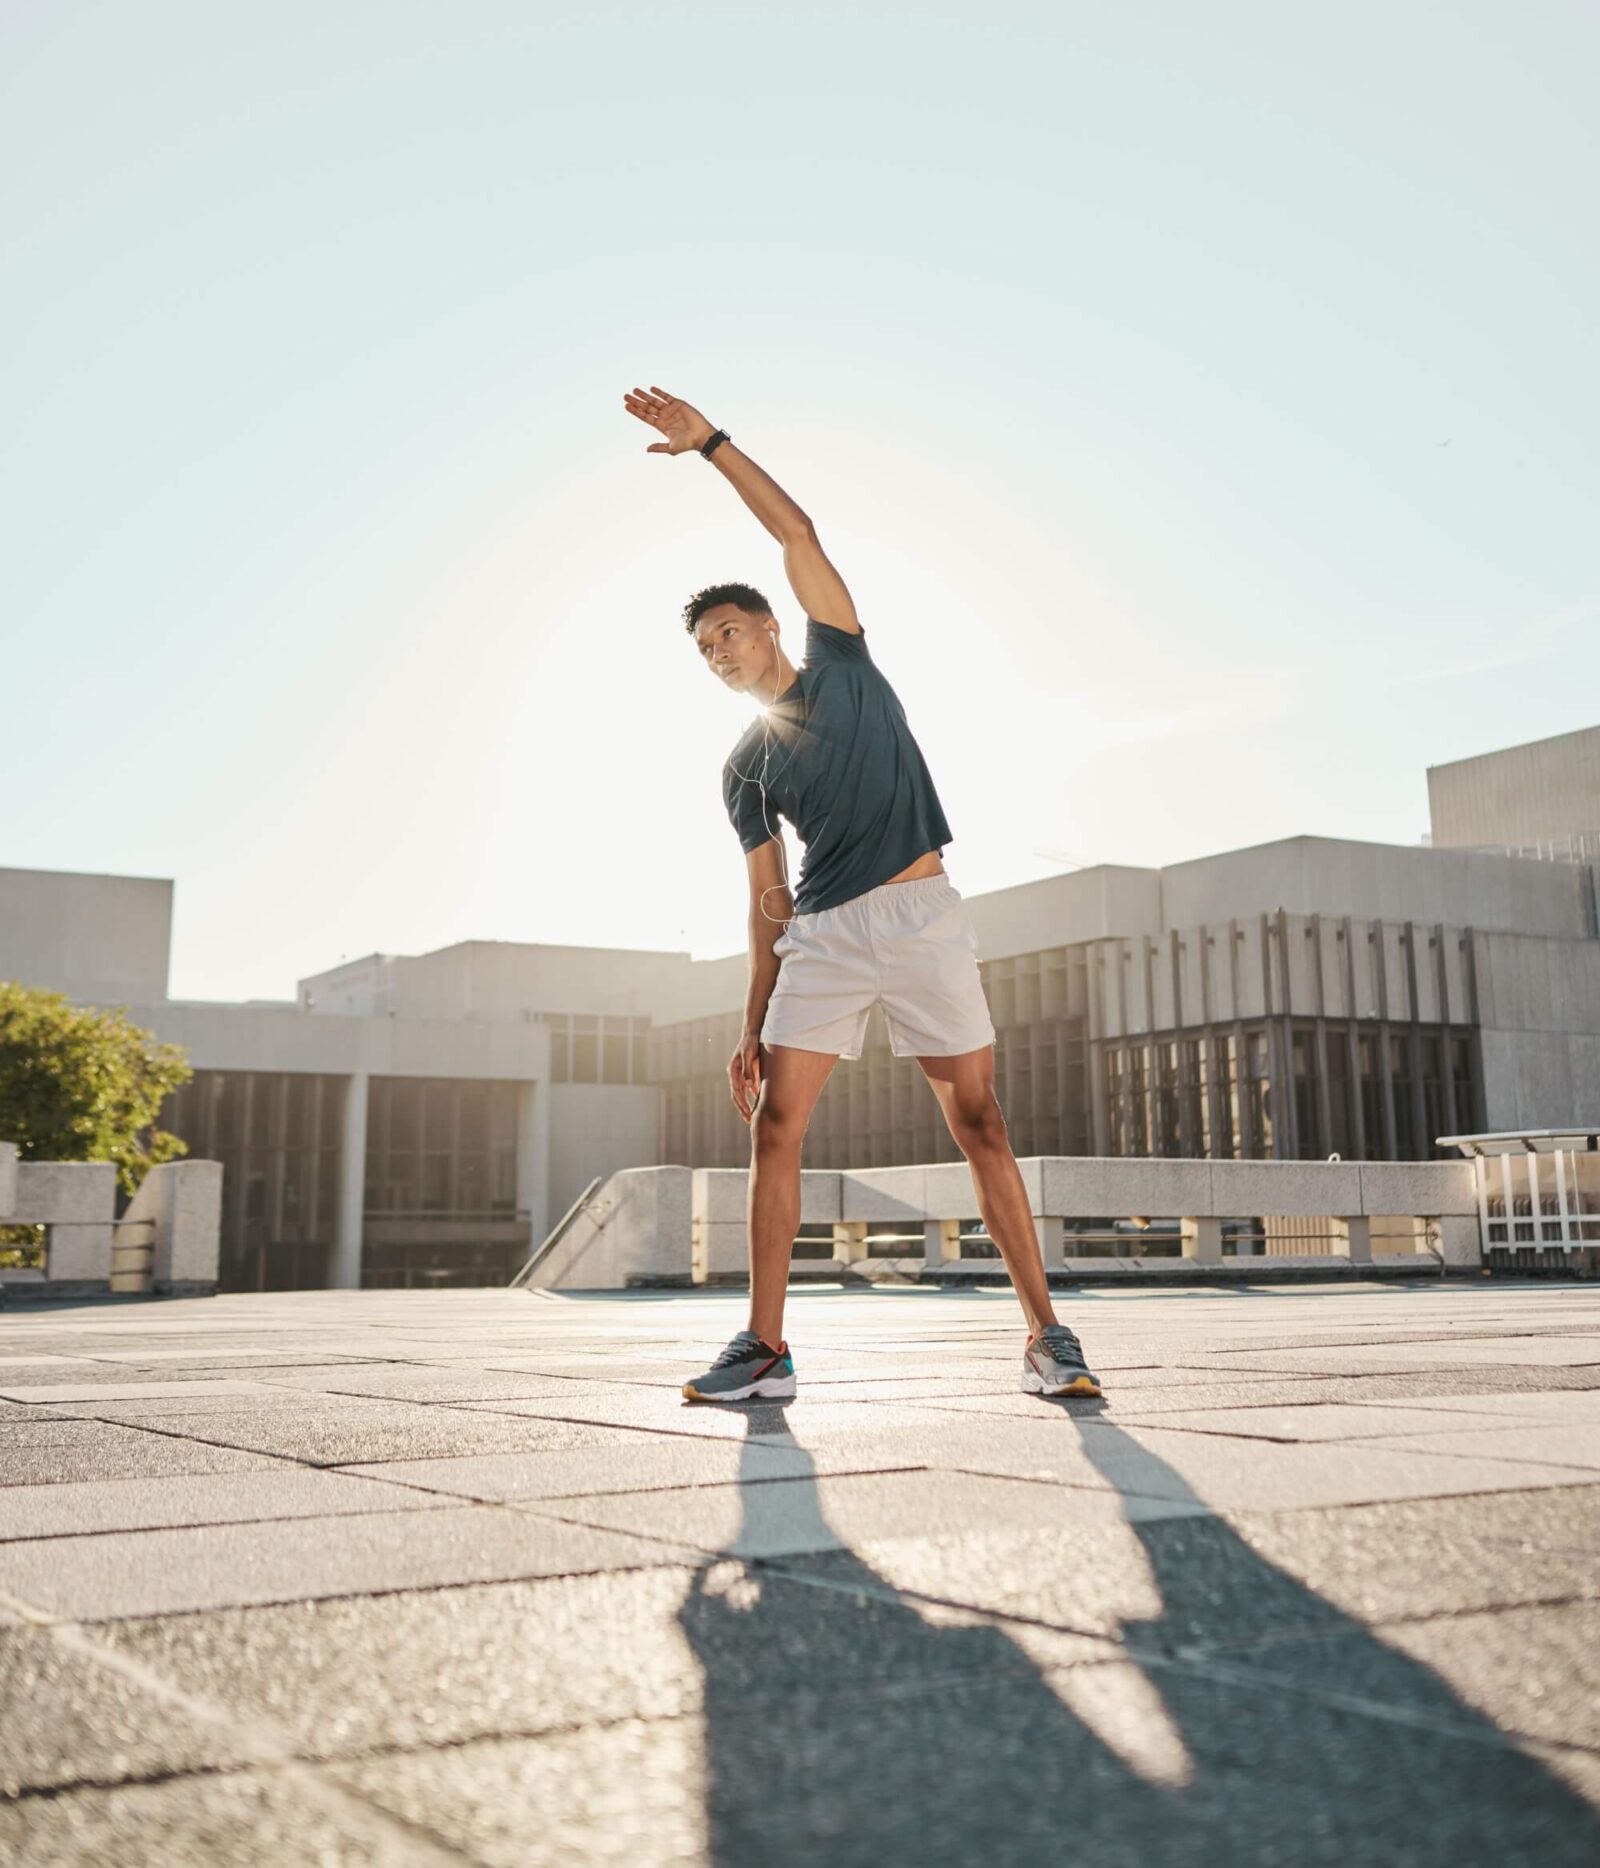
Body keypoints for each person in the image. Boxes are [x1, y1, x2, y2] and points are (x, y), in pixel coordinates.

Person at [622, 385, 1101, 1404]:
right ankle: (764, 1347)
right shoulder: (740, 768)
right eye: (702, 649)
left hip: (922, 915)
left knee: (978, 1119)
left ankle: (1047, 1335)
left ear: (769, 627)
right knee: (775, 1126)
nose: (717, 654)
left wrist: (707, 443)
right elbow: (767, 904)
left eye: (728, 633)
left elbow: (795, 528)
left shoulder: (840, 658)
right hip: (826, 939)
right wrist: (751, 1020)